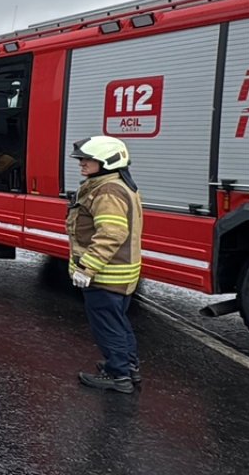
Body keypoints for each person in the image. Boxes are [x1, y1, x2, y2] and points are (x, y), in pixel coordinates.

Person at [66, 136, 143, 394]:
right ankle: (127, 365)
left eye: (88, 159)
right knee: (118, 322)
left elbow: (111, 233)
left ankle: (118, 375)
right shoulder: (118, 185)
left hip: (107, 275)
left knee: (107, 326)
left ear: (107, 161)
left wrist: (87, 268)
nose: (82, 164)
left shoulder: (107, 191)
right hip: (120, 273)